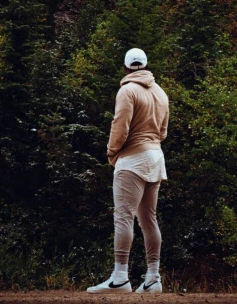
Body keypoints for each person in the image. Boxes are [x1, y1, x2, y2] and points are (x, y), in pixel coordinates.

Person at [87, 47, 169, 294]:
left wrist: (112, 152)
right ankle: (153, 278)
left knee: (123, 215)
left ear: (125, 67)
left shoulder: (127, 90)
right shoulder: (161, 93)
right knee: (148, 219)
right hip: (156, 157)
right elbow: (163, 131)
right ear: (145, 65)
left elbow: (119, 126)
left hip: (133, 159)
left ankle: (120, 277)